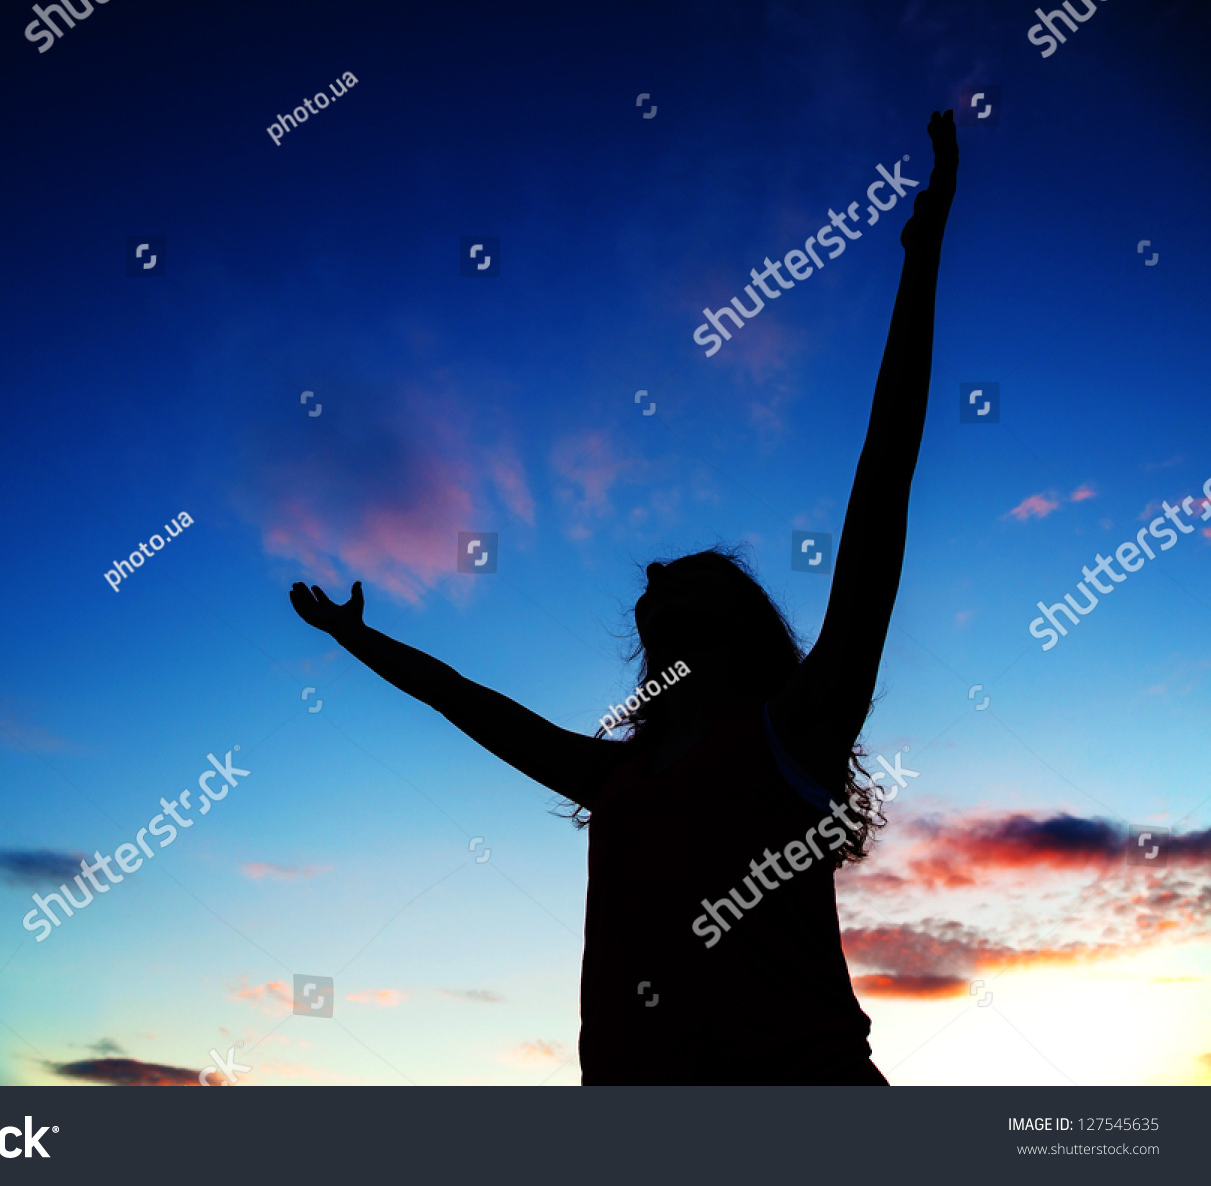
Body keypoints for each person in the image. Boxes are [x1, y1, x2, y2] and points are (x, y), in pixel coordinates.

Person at [289, 110, 959, 1084]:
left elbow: (885, 476)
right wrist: (360, 640)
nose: (650, 572)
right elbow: (461, 698)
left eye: (682, 572)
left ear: (733, 617)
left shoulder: (796, 727)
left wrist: (922, 255)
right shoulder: (616, 777)